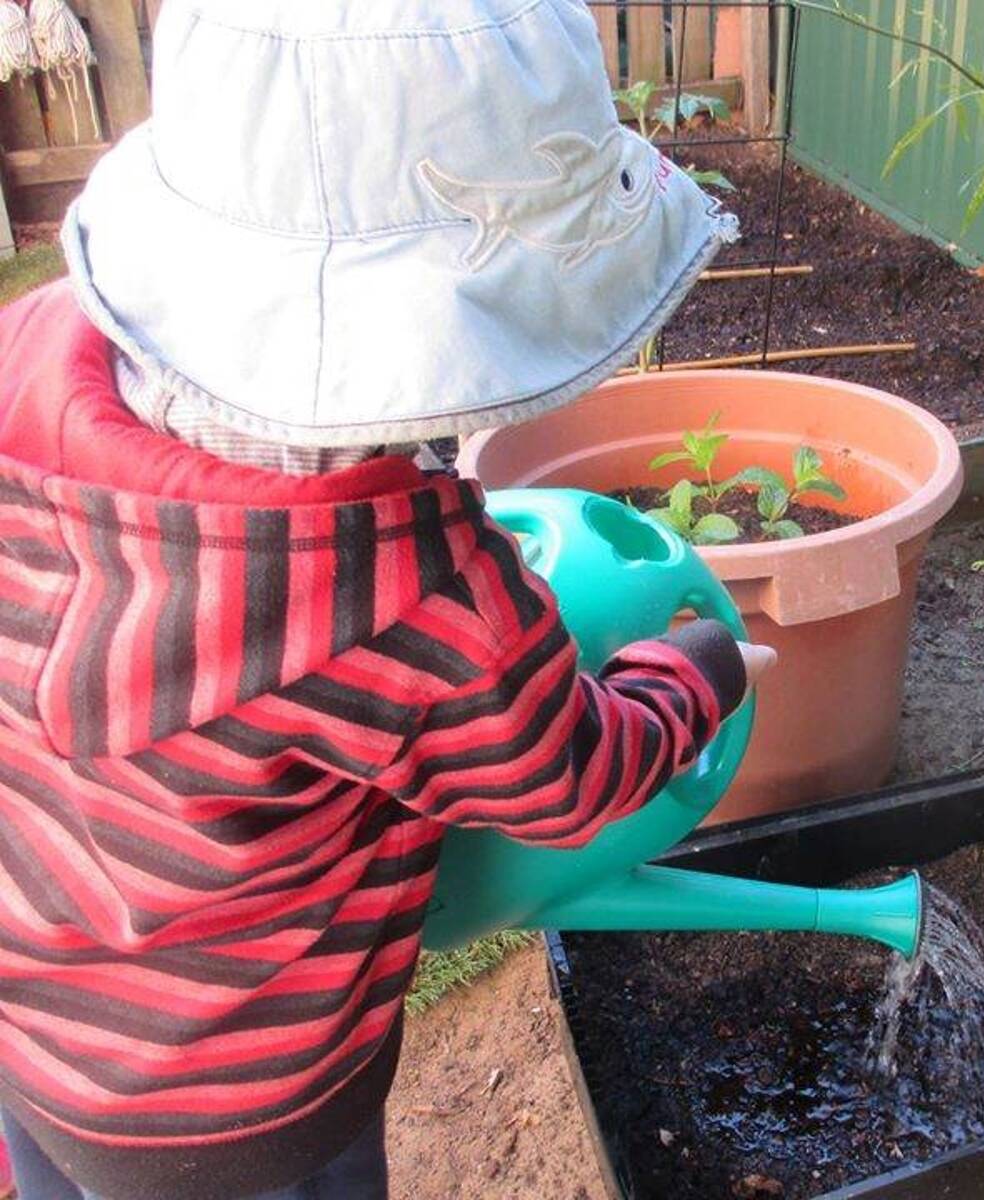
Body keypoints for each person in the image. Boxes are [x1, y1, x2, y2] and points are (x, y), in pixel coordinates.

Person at [0, 1, 773, 1196]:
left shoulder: (25, 359)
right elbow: (563, 779)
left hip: (41, 1013)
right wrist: (699, 674)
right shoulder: (401, 585)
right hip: (249, 1098)